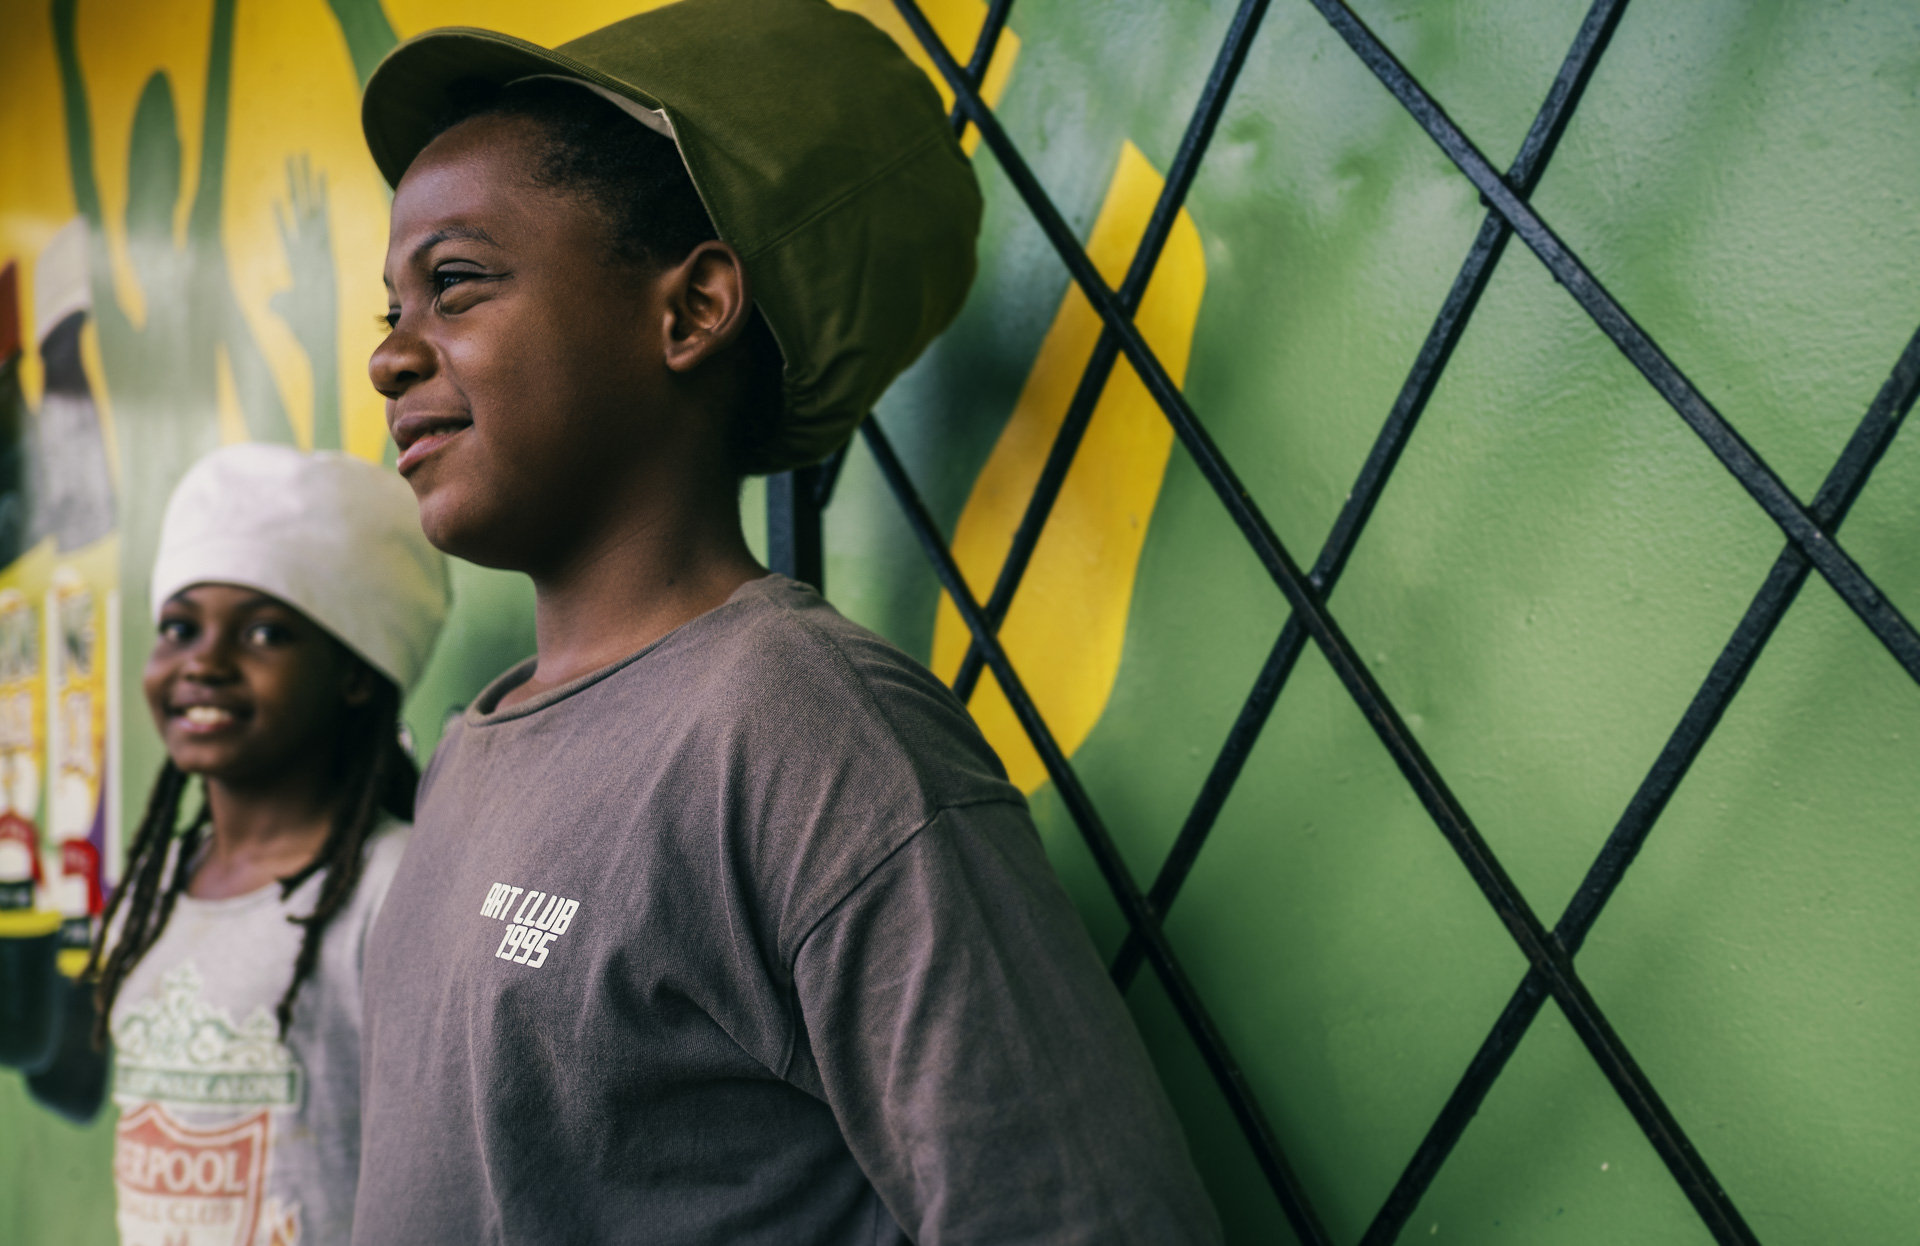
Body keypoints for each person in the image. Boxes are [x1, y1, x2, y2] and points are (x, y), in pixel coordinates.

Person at [354, 2, 1223, 1242]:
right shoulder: (473, 744)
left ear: (693, 310)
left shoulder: (805, 735)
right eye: (385, 312)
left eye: (455, 284)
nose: (392, 356)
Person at [89, 442, 446, 1246]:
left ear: (356, 674)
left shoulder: (393, 889)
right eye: (178, 627)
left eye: (264, 635)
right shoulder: (154, 887)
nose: (203, 662)